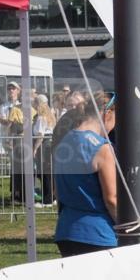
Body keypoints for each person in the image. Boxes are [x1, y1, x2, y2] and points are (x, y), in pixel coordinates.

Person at [52, 92, 119, 257]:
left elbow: (57, 191)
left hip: (66, 231)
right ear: (107, 113)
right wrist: (126, 227)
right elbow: (111, 199)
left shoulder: (64, 142)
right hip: (98, 234)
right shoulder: (103, 149)